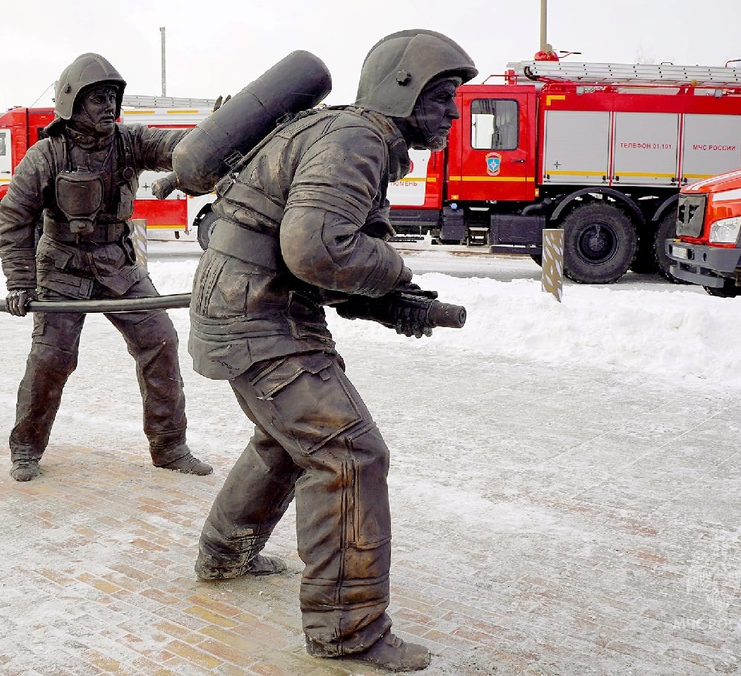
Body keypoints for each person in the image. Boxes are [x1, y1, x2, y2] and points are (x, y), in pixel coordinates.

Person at [187, 30, 477, 671]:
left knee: (290, 437)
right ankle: (349, 631)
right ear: (403, 91)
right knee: (349, 453)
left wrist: (391, 302)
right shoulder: (358, 140)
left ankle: (223, 554)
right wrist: (395, 272)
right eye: (445, 98)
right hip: (258, 318)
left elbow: (323, 262)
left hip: (250, 307)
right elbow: (317, 247)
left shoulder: (348, 134)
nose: (454, 115)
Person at [0, 53, 212, 481]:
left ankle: (169, 445)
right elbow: (14, 218)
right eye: (97, 98)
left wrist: (215, 135)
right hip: (61, 272)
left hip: (119, 267)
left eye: (112, 97)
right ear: (72, 103)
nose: (108, 106)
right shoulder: (45, 155)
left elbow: (176, 148)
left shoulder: (129, 142)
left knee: (161, 341)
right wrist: (20, 281)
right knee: (50, 360)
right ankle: (26, 448)